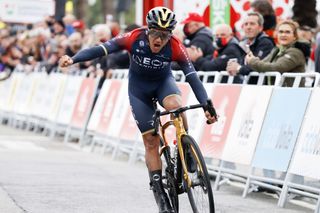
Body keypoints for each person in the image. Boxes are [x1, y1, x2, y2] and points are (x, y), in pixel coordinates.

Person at [59, 7, 217, 213]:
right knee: (151, 141)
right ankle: (160, 195)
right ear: (148, 30)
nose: (159, 40)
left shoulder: (176, 46)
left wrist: (206, 103)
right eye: (155, 34)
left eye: (164, 35)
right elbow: (102, 49)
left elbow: (192, 76)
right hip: (139, 91)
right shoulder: (133, 37)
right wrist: (74, 59)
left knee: (176, 106)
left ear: (170, 35)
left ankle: (185, 150)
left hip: (163, 84)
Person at [245, 20, 308, 86]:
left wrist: (252, 61)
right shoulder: (276, 50)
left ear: (295, 36)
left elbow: (277, 68)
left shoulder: (295, 52)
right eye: (281, 32)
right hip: (276, 92)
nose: (283, 35)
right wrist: (252, 60)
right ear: (277, 34)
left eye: (287, 32)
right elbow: (263, 64)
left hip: (292, 94)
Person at [226, 12, 274, 82]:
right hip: (245, 85)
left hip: (261, 87)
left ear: (260, 28)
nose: (248, 27)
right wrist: (232, 67)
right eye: (246, 24)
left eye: (252, 24)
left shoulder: (265, 42)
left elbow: (258, 65)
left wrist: (239, 68)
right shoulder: (242, 43)